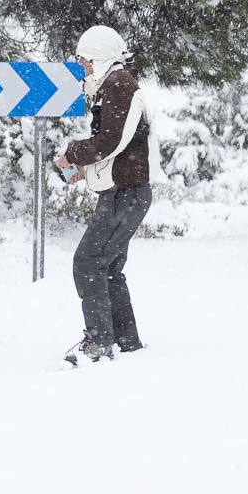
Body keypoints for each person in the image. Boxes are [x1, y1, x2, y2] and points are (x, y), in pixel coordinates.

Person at [55, 25, 161, 365]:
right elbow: (125, 145)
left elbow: (108, 142)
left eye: (84, 62)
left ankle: (100, 343)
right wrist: (89, 170)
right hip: (127, 190)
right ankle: (126, 341)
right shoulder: (116, 85)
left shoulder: (117, 86)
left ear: (99, 58)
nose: (82, 69)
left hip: (125, 194)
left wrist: (73, 153)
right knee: (109, 266)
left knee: (88, 262)